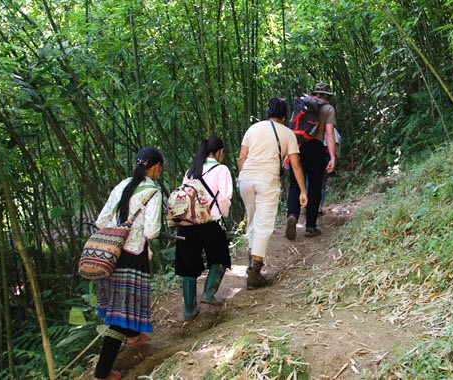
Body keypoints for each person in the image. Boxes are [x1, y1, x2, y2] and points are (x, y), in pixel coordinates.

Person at [93, 147, 165, 380]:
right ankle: (102, 372)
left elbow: (101, 220)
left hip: (110, 254)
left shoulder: (121, 185)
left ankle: (134, 336)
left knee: (120, 304)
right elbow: (152, 232)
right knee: (119, 315)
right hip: (132, 255)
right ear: (155, 167)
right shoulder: (153, 191)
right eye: (160, 168)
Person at [238, 97, 308, 289]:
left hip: (245, 179)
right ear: (285, 117)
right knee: (264, 224)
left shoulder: (253, 129)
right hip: (267, 180)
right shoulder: (288, 133)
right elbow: (295, 165)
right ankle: (255, 272)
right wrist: (303, 190)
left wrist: (244, 177)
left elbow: (242, 158)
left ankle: (252, 257)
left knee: (252, 221)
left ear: (267, 113)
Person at [175, 136, 233, 320]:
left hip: (188, 224)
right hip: (210, 222)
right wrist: (223, 215)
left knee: (188, 265)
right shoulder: (221, 169)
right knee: (220, 258)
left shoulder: (190, 171)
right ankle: (208, 293)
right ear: (220, 152)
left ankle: (189, 309)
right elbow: (224, 197)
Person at [285, 82, 337, 240]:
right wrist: (333, 157)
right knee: (314, 186)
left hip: (298, 147)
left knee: (295, 185)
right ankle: (310, 227)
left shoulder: (302, 105)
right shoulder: (328, 109)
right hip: (316, 148)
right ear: (327, 96)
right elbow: (329, 134)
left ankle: (292, 215)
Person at [319, 127, 341, 215]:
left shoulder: (314, 125)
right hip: (327, 157)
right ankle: (319, 206)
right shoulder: (332, 129)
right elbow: (337, 142)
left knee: (310, 179)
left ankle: (308, 205)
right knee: (322, 183)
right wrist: (334, 157)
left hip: (315, 155)